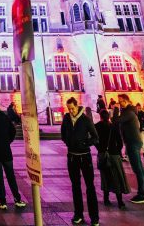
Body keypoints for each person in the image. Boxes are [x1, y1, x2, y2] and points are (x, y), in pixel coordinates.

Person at [61, 97, 99, 226]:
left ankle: (94, 217)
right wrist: (68, 142)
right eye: (69, 109)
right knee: (75, 186)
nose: (71, 111)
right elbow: (63, 134)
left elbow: (95, 138)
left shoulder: (85, 120)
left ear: (77, 106)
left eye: (72, 108)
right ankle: (78, 214)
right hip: (72, 157)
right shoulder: (66, 119)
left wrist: (84, 143)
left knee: (90, 186)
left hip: (85, 156)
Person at [116, 94, 144, 204]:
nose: (120, 104)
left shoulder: (128, 112)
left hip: (132, 142)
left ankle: (142, 195)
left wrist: (116, 110)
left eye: (121, 101)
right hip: (134, 141)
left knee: (137, 169)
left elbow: (116, 121)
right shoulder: (130, 111)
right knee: (140, 167)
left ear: (126, 101)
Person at [95, 108, 129, 210]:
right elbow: (120, 142)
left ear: (100, 117)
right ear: (109, 117)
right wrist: (116, 151)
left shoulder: (97, 126)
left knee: (105, 176)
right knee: (117, 177)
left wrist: (100, 149)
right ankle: (120, 202)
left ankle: (106, 199)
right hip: (114, 155)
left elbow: (94, 140)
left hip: (102, 155)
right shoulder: (113, 127)